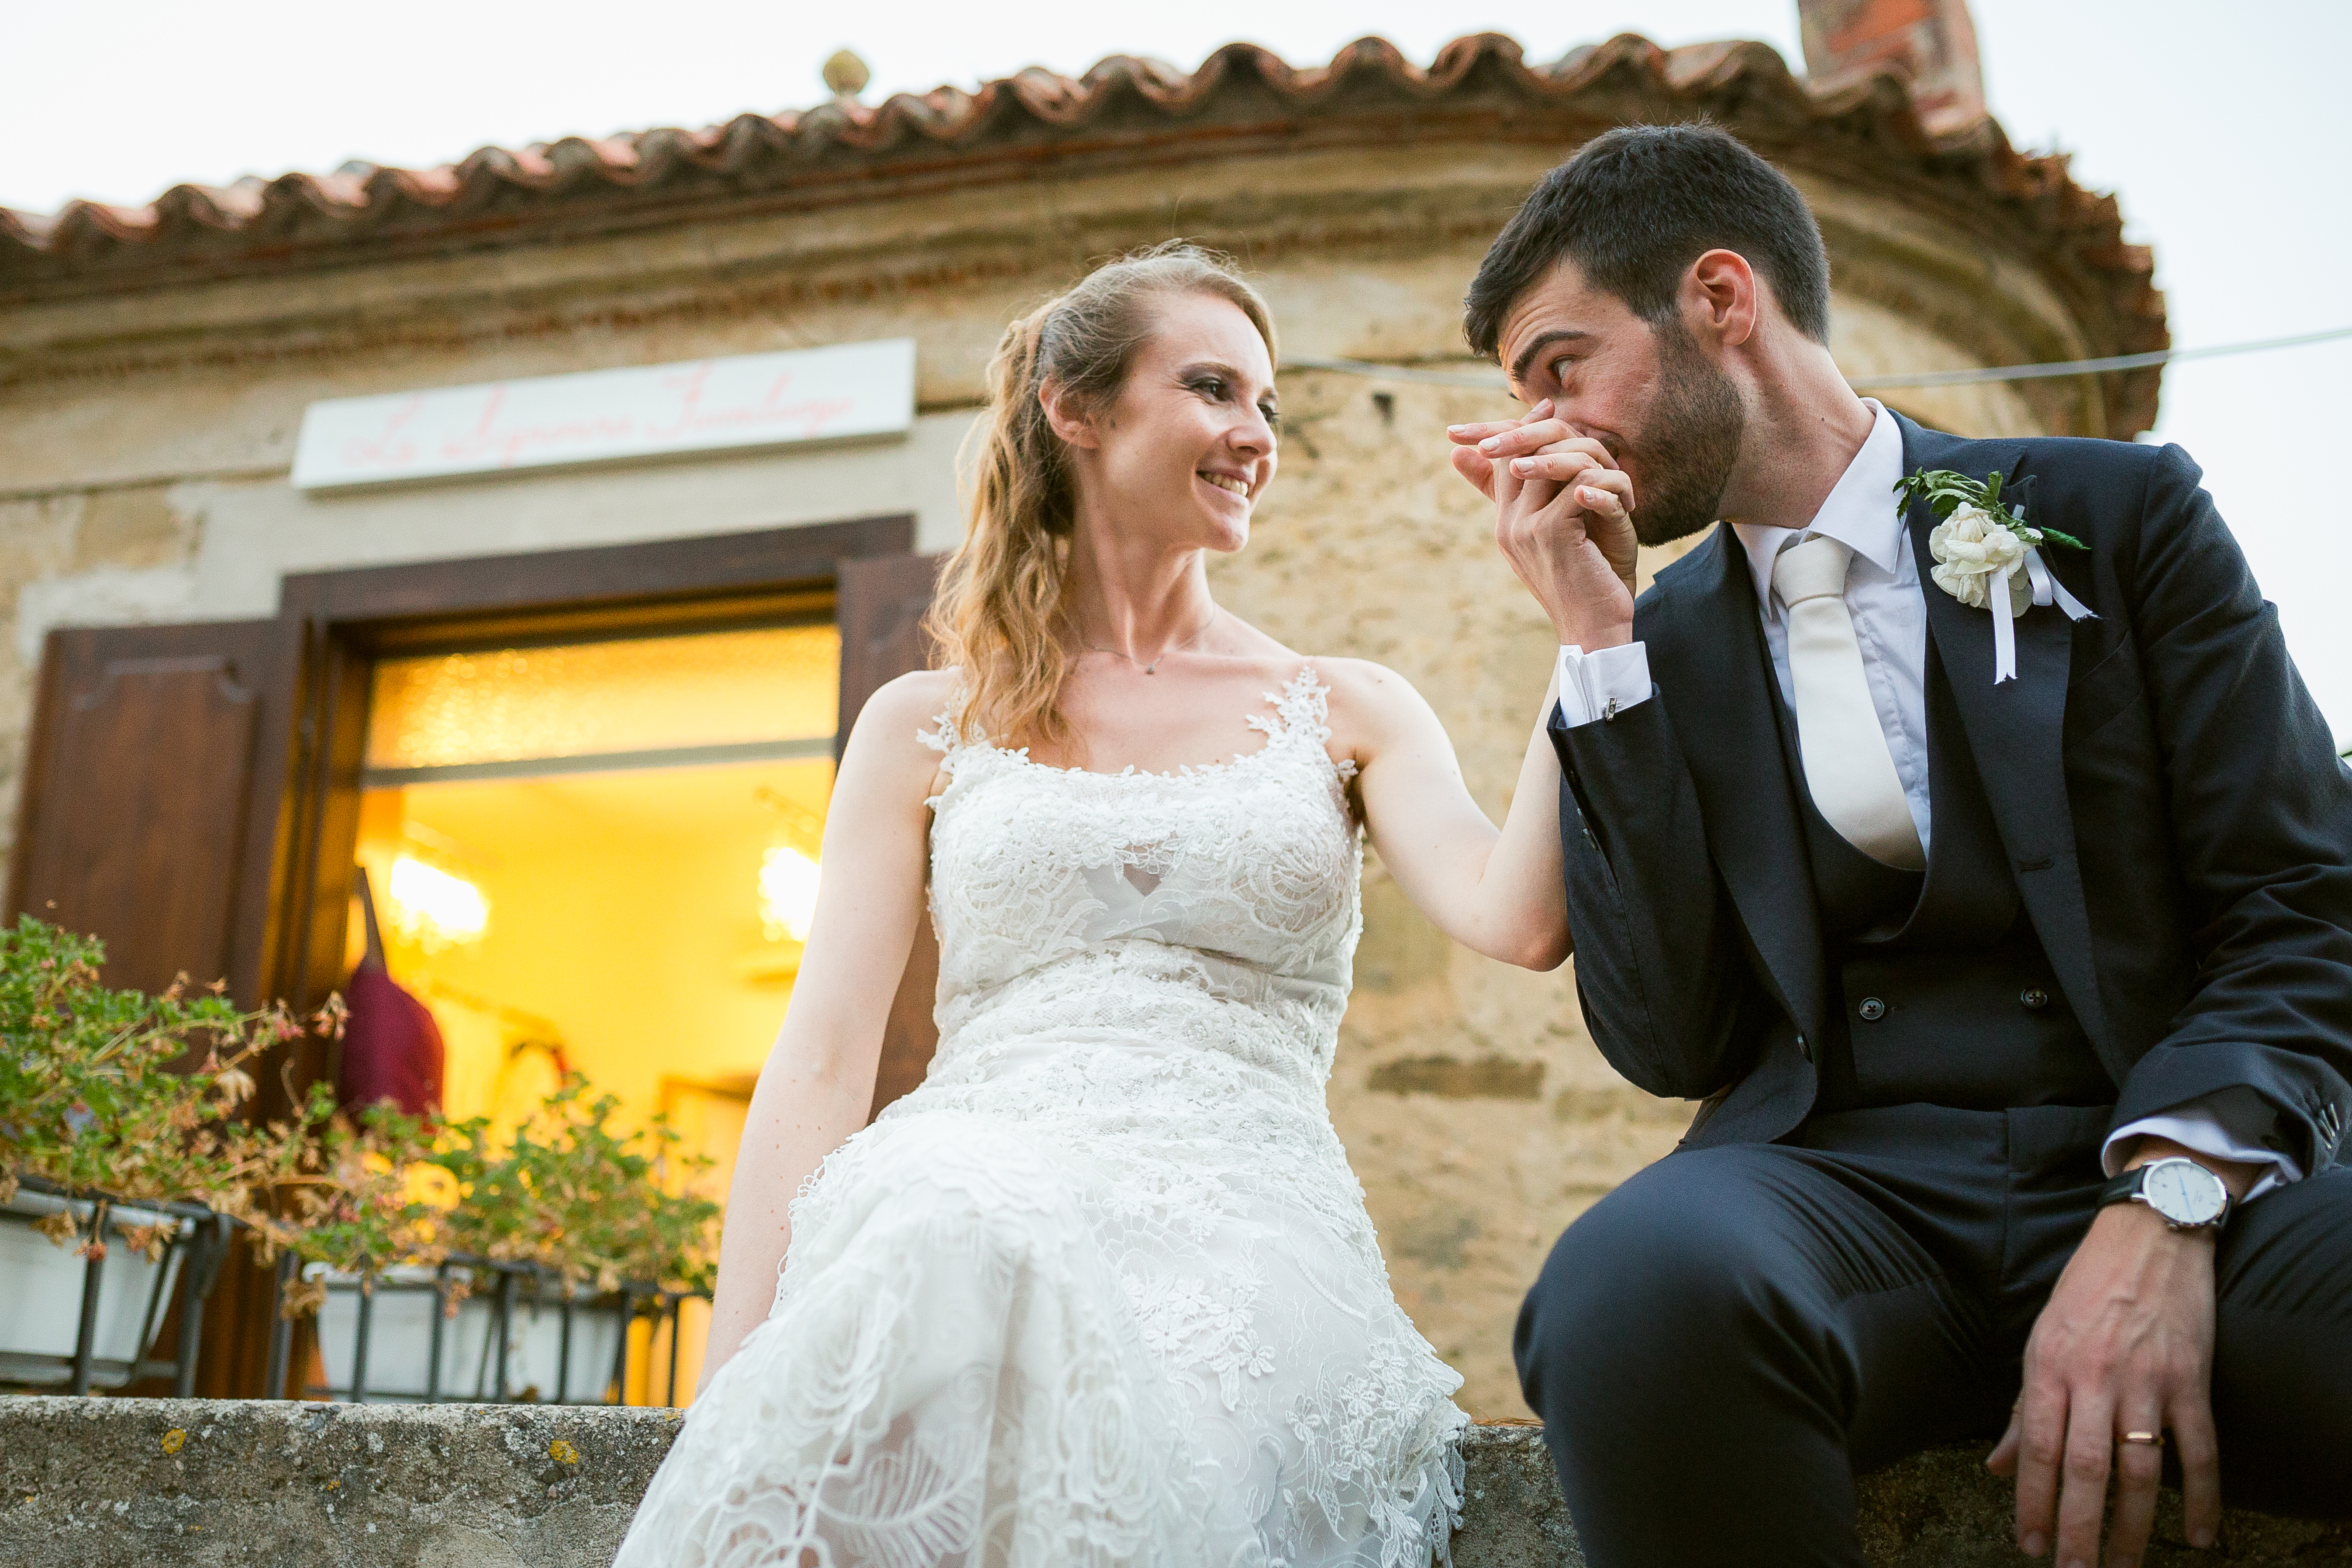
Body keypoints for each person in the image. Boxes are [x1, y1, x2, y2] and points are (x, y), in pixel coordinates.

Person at [1447, 124, 2352, 1568]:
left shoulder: (2111, 516)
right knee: (1625, 1290)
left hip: (2186, 1174)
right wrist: (1598, 651)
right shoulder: (1646, 646)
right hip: (1841, 1203)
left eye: (1560, 367)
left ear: (1720, 299)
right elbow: (1669, 1038)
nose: (1540, 430)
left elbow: (2303, 900)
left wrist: (2165, 1201)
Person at [615, 241, 1577, 1568]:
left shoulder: (1347, 709)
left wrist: (1587, 639)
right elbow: (825, 1058)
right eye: (1213, 390)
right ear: (1078, 412)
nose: (1256, 436)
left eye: (1268, 405)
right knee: (957, 1229)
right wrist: (733, 1373)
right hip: (961, 1190)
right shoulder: (921, 726)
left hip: (1243, 1234)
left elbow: (1520, 920)